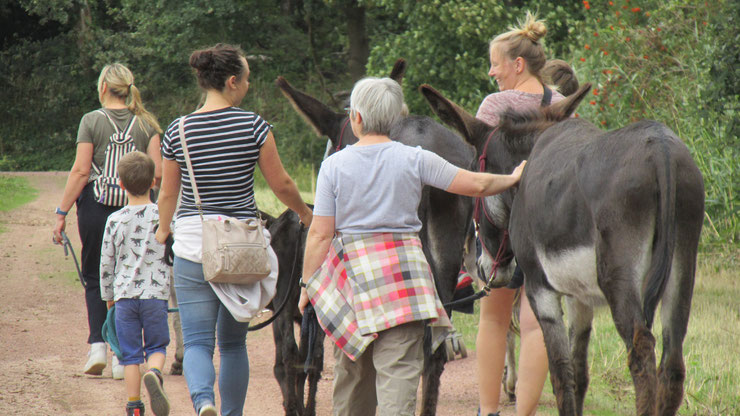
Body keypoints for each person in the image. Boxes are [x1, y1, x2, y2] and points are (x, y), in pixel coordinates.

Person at [297, 77, 526, 416]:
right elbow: (476, 184)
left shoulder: (334, 165)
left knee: (352, 377)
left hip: (351, 284)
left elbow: (319, 235)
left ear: (355, 118)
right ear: (397, 121)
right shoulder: (416, 159)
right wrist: (512, 177)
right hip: (404, 284)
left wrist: (307, 285)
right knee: (400, 375)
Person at [155, 43, 313, 416]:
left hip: (194, 244)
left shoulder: (178, 130)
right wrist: (306, 214)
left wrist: (164, 230)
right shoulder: (254, 126)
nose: (248, 84)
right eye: (246, 78)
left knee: (195, 343)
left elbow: (167, 193)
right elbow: (282, 185)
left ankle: (204, 403)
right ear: (231, 82)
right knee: (232, 344)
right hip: (240, 246)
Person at [474, 12, 568, 416]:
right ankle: (524, 413)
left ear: (517, 64)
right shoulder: (561, 104)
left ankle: (487, 411)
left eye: (495, 63)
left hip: (503, 229)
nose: (491, 71)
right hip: (548, 224)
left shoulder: (495, 105)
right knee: (537, 321)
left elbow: (476, 165)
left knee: (493, 319)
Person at [52, 63, 163, 379]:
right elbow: (157, 175)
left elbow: (81, 171)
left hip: (96, 208)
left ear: (103, 87)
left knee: (95, 275)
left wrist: (61, 213)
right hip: (139, 211)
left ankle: (98, 345)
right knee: (132, 277)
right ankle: (122, 356)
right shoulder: (147, 123)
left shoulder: (91, 121)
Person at [100, 151, 171, 416]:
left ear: (120, 184)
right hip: (155, 297)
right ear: (154, 182)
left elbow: (106, 263)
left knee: (129, 355)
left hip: (125, 298)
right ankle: (153, 373)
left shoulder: (114, 221)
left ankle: (134, 406)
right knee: (157, 347)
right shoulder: (163, 217)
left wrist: (109, 297)